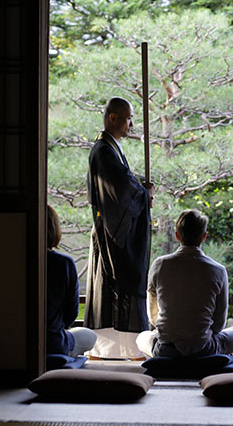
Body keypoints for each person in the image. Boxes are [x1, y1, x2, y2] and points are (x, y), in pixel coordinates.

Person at [85, 97, 154, 358]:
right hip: (111, 233)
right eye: (128, 118)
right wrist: (144, 193)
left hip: (112, 230)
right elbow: (122, 189)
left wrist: (140, 191)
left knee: (113, 289)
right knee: (114, 286)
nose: (131, 124)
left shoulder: (109, 149)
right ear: (112, 118)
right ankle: (109, 350)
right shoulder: (103, 151)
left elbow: (125, 185)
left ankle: (118, 349)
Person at [136, 209, 233, 358]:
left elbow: (153, 315)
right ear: (204, 237)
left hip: (165, 350)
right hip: (204, 349)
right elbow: (218, 324)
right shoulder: (218, 270)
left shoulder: (160, 264)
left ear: (177, 235)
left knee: (141, 337)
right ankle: (211, 359)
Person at [46, 205, 96, 357]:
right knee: (89, 335)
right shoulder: (63, 263)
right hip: (53, 342)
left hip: (13, 343)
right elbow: (71, 313)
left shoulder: (11, 260)